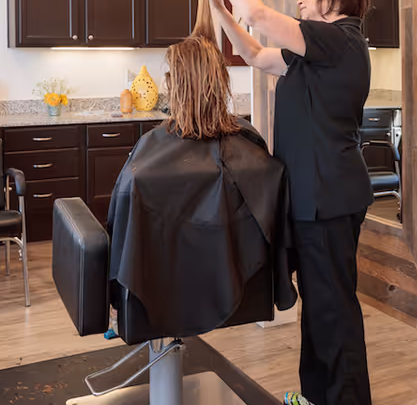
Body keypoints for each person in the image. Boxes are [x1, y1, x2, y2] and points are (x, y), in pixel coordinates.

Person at [187, 0, 374, 405]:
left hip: (329, 195)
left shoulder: (342, 41)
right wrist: (220, 11)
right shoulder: (316, 54)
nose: (299, 1)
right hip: (314, 197)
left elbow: (261, 17)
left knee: (333, 309)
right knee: (320, 306)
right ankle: (316, 397)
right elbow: (254, 53)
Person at [107, 33, 296, 341]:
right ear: (220, 81)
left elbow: (121, 234)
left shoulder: (146, 163)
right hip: (238, 289)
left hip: (156, 293)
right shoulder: (253, 149)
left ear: (175, 85)